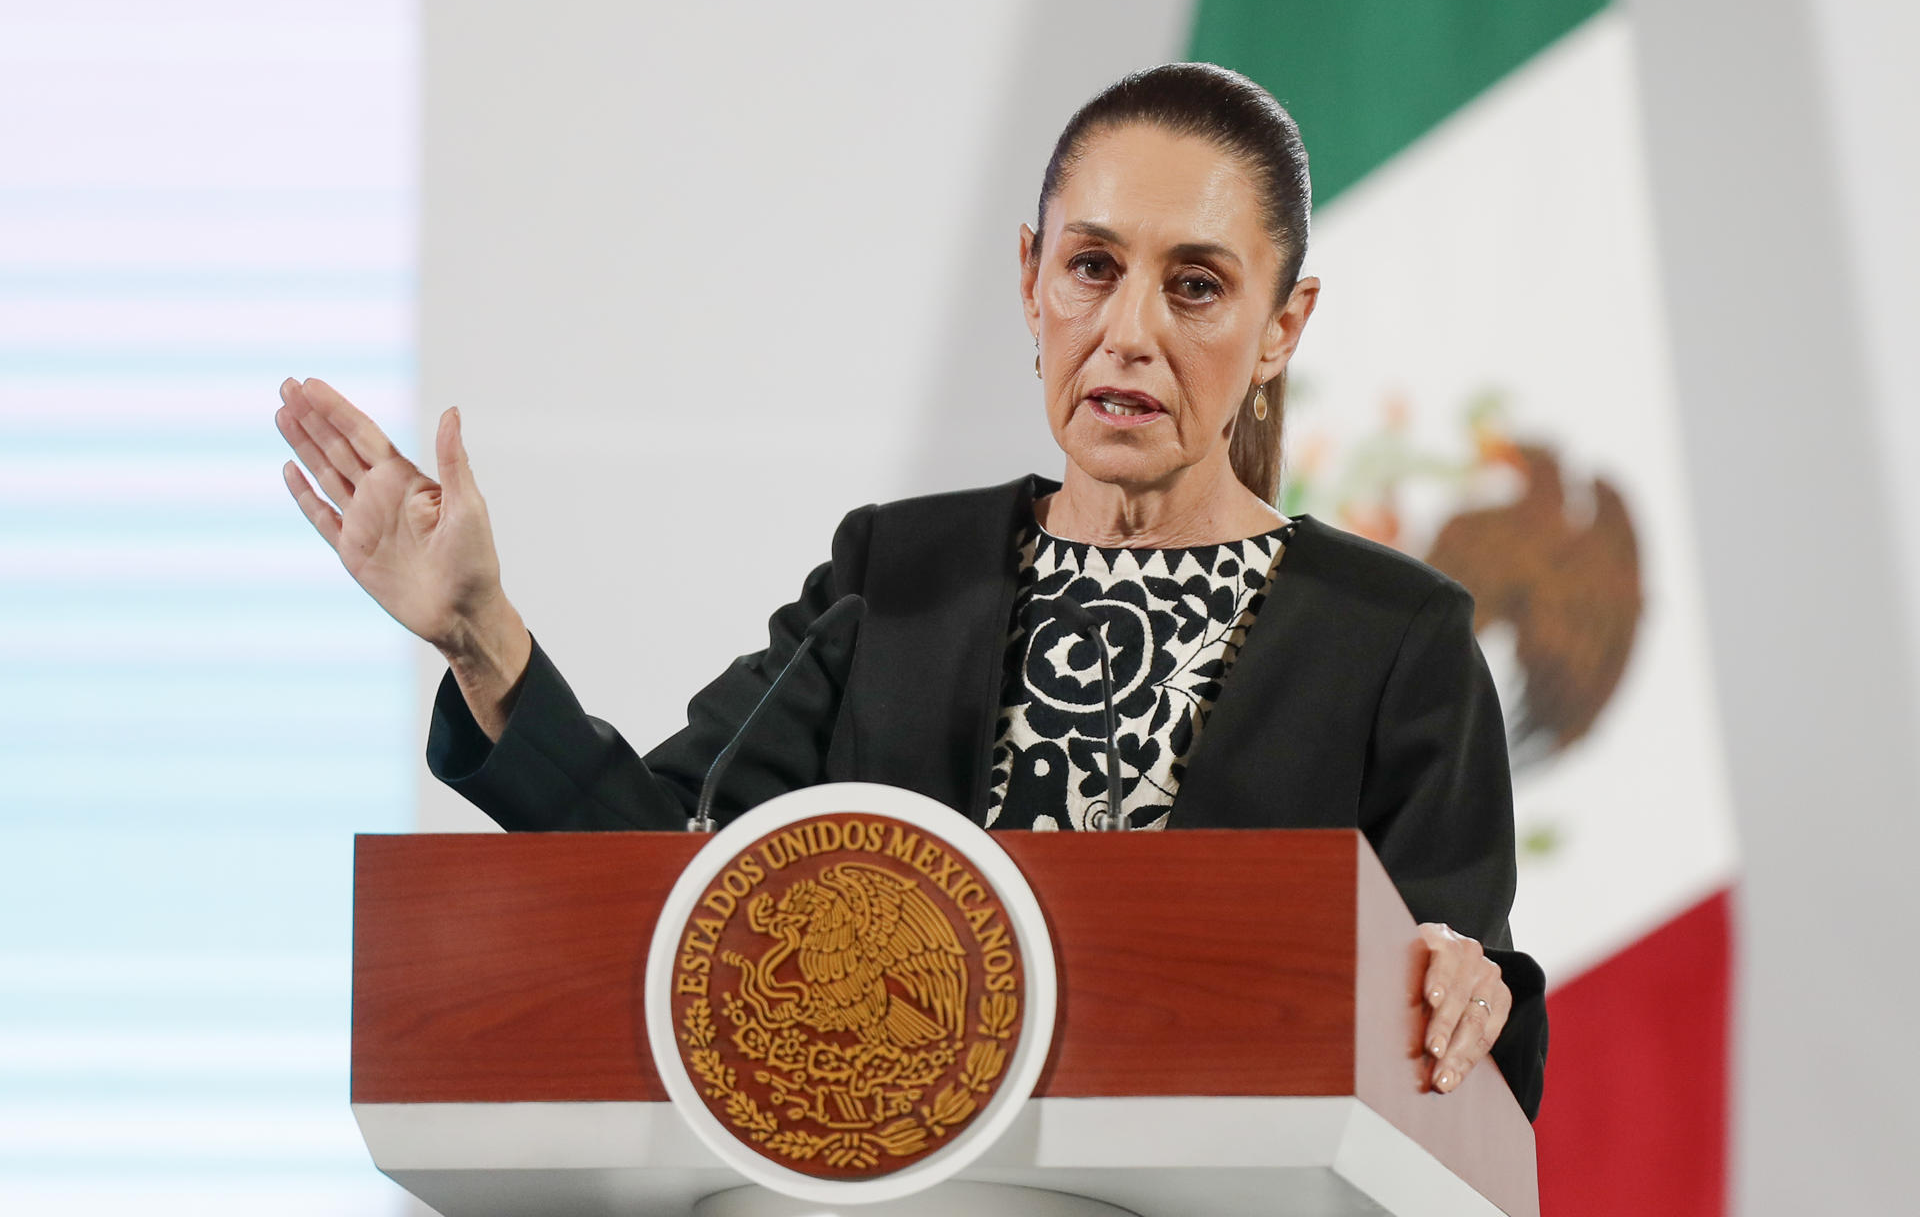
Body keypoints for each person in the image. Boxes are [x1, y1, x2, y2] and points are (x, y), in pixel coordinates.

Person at [274, 63, 1546, 1118]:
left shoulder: (1395, 641)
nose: (1130, 331)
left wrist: (1466, 991)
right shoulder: (899, 577)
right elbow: (664, 885)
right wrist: (481, 636)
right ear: (1032, 280)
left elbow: (1467, 1031)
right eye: (1093, 266)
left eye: (1197, 285)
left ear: (1283, 325)